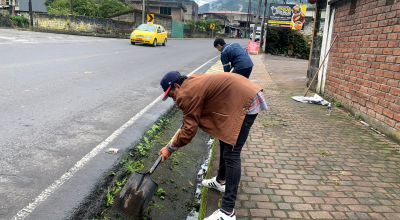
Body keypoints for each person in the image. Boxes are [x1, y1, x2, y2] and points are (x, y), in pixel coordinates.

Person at [159, 71, 268, 220]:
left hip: (246, 102)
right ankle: (220, 181)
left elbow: (190, 130)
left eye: (171, 95)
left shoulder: (186, 93)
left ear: (177, 86)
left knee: (232, 154)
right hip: (242, 95)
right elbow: (191, 117)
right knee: (225, 136)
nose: (173, 99)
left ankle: (228, 212)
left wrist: (170, 148)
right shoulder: (192, 81)